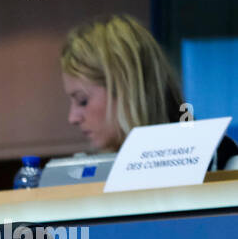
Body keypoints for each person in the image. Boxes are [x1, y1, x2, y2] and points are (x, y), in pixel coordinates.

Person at [61, 13, 237, 170]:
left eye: (82, 100)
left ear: (127, 92)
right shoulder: (89, 171)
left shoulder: (221, 163)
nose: (73, 118)